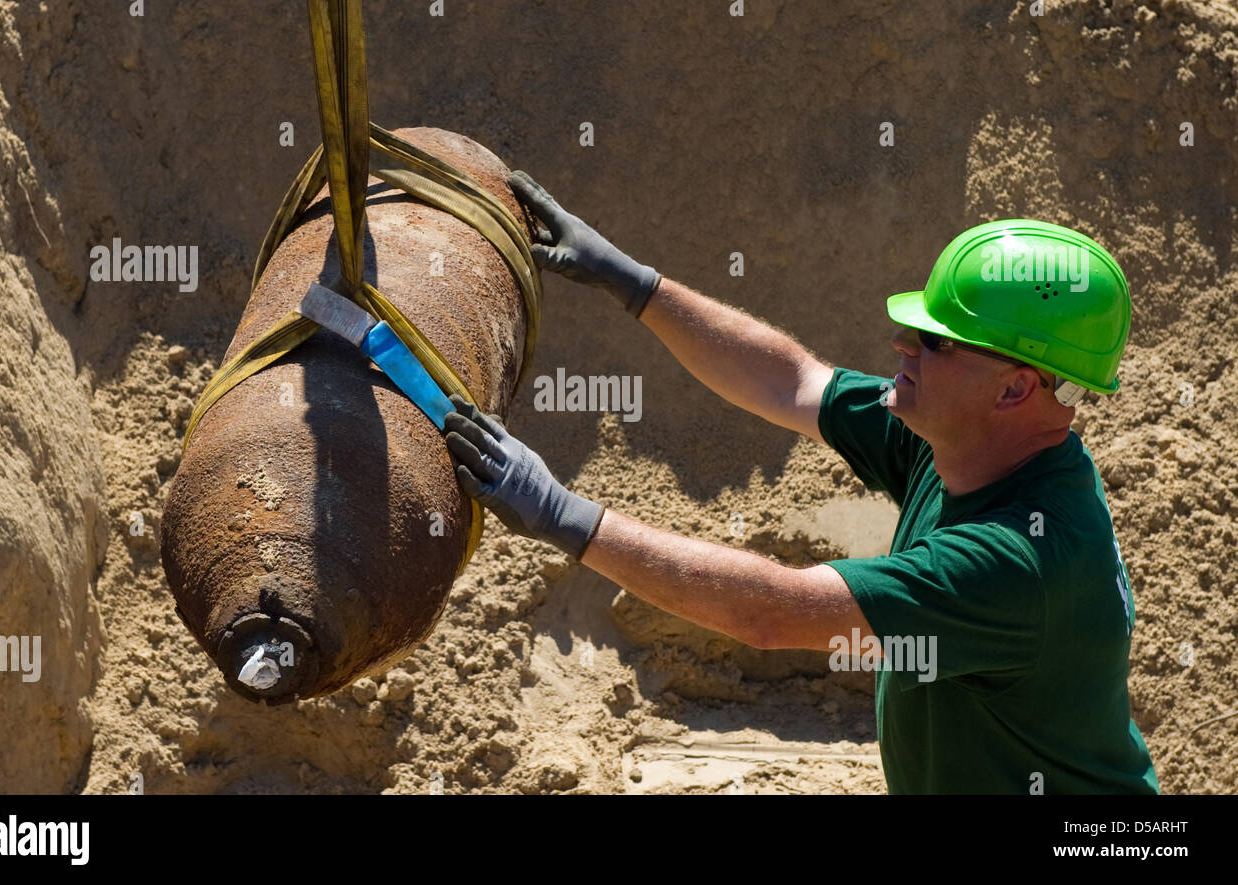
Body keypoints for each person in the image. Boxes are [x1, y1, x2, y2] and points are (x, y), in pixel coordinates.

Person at [442, 170, 1159, 794]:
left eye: (935, 340)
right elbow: (795, 382)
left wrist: (559, 511)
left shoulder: (1019, 562)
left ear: (1014, 389)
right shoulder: (966, 440)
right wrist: (634, 284)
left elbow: (775, 613)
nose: (900, 344)